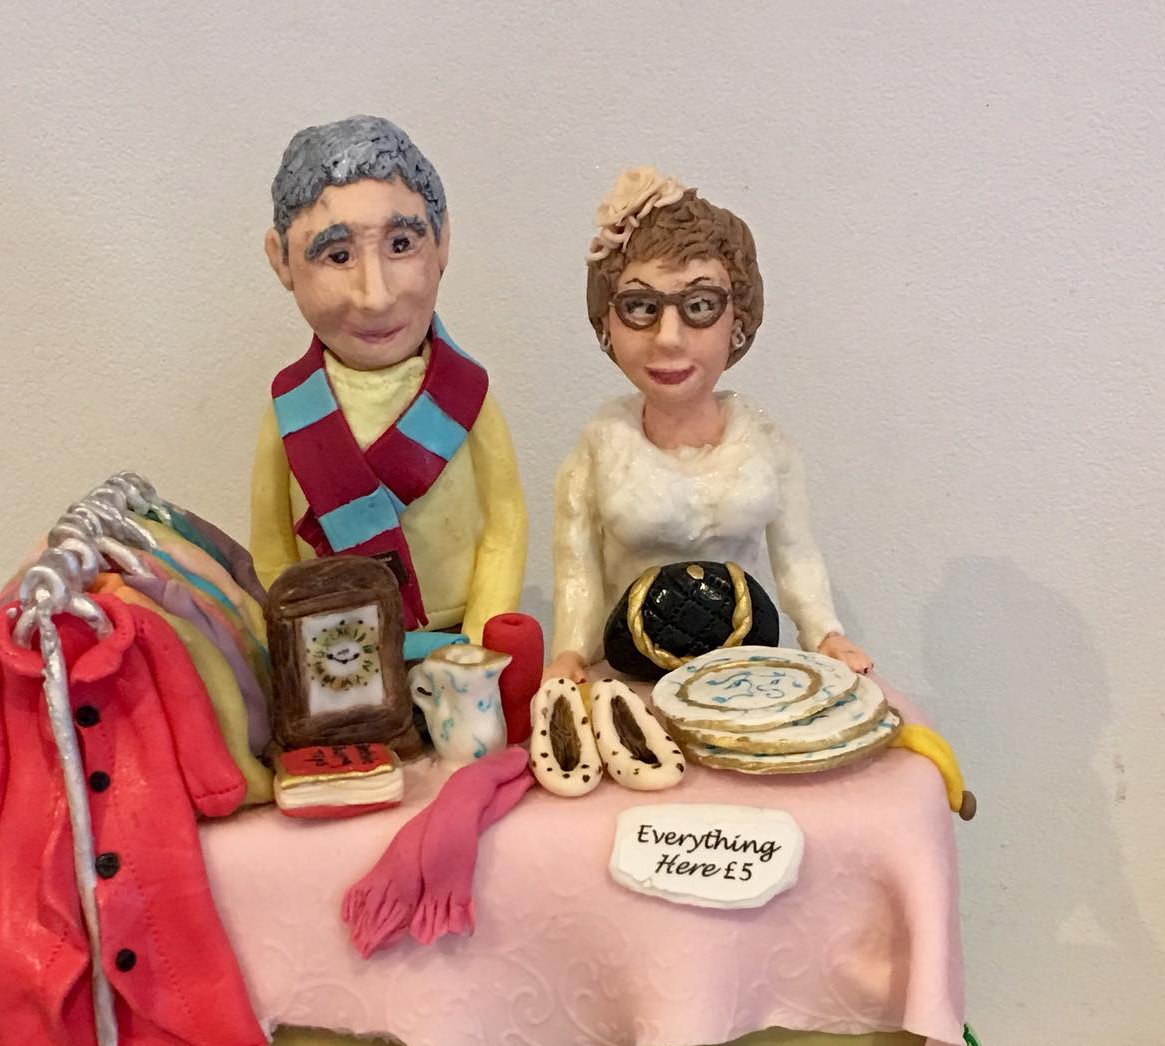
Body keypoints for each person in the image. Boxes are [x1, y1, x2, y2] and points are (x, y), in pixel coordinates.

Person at [548, 168, 871, 681]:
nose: (668, 337)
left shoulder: (765, 445)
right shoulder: (600, 449)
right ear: (606, 322)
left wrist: (824, 632)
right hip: (636, 670)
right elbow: (577, 569)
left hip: (742, 671)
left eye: (699, 306)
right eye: (640, 307)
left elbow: (796, 554)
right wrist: (570, 653)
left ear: (737, 320)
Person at [252, 117, 526, 662]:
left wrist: (478, 641)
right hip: (336, 653)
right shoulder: (292, 409)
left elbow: (505, 527)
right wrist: (293, 643)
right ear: (282, 260)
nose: (374, 296)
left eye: (401, 244)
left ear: (441, 244)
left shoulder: (465, 396)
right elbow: (272, 547)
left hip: (453, 648)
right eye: (337, 255)